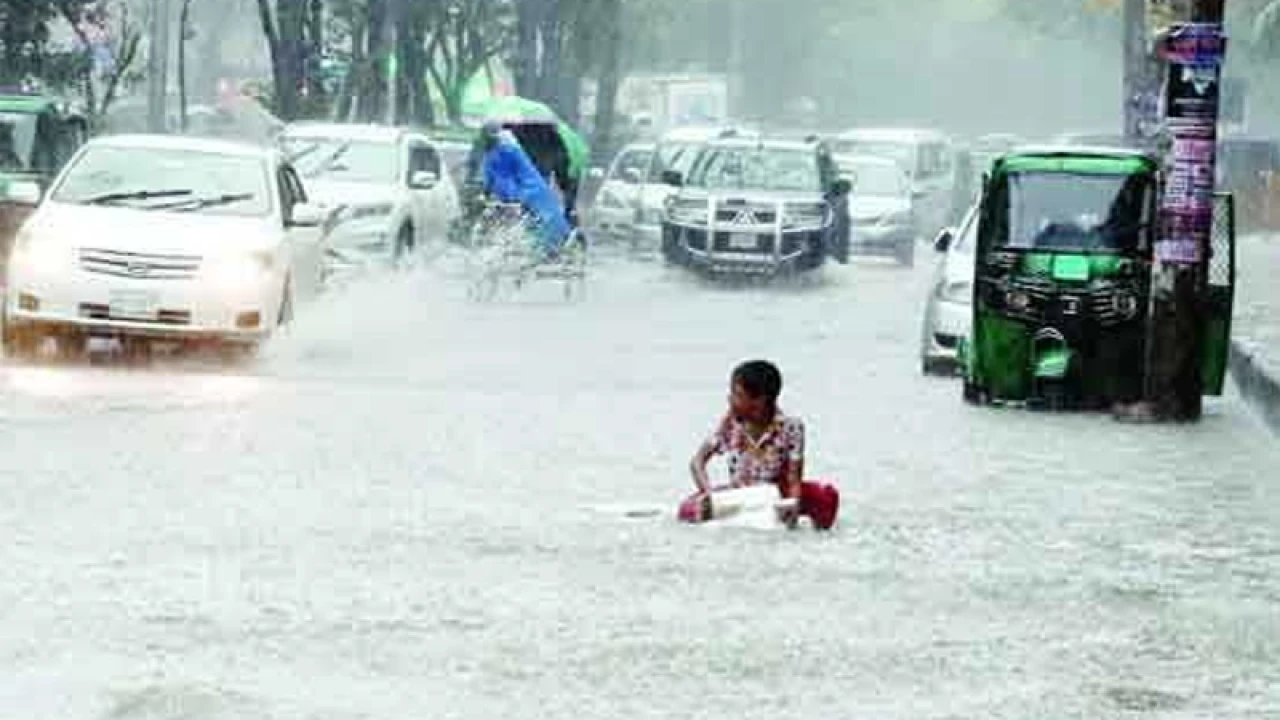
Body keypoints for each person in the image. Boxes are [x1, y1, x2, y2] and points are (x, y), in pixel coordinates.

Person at [685, 360, 839, 529]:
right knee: (689, 510)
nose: (730, 399)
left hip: (775, 496)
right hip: (740, 496)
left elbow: (794, 477)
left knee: (825, 498)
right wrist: (709, 494)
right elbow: (697, 462)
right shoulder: (730, 424)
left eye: (737, 395)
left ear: (759, 402)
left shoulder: (791, 427)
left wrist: (792, 506)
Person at [479, 122, 572, 261]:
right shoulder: (551, 137)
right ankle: (548, 246)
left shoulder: (505, 147)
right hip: (534, 183)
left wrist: (503, 196)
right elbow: (562, 163)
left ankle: (542, 247)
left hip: (527, 188)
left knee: (534, 219)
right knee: (540, 217)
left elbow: (500, 178)